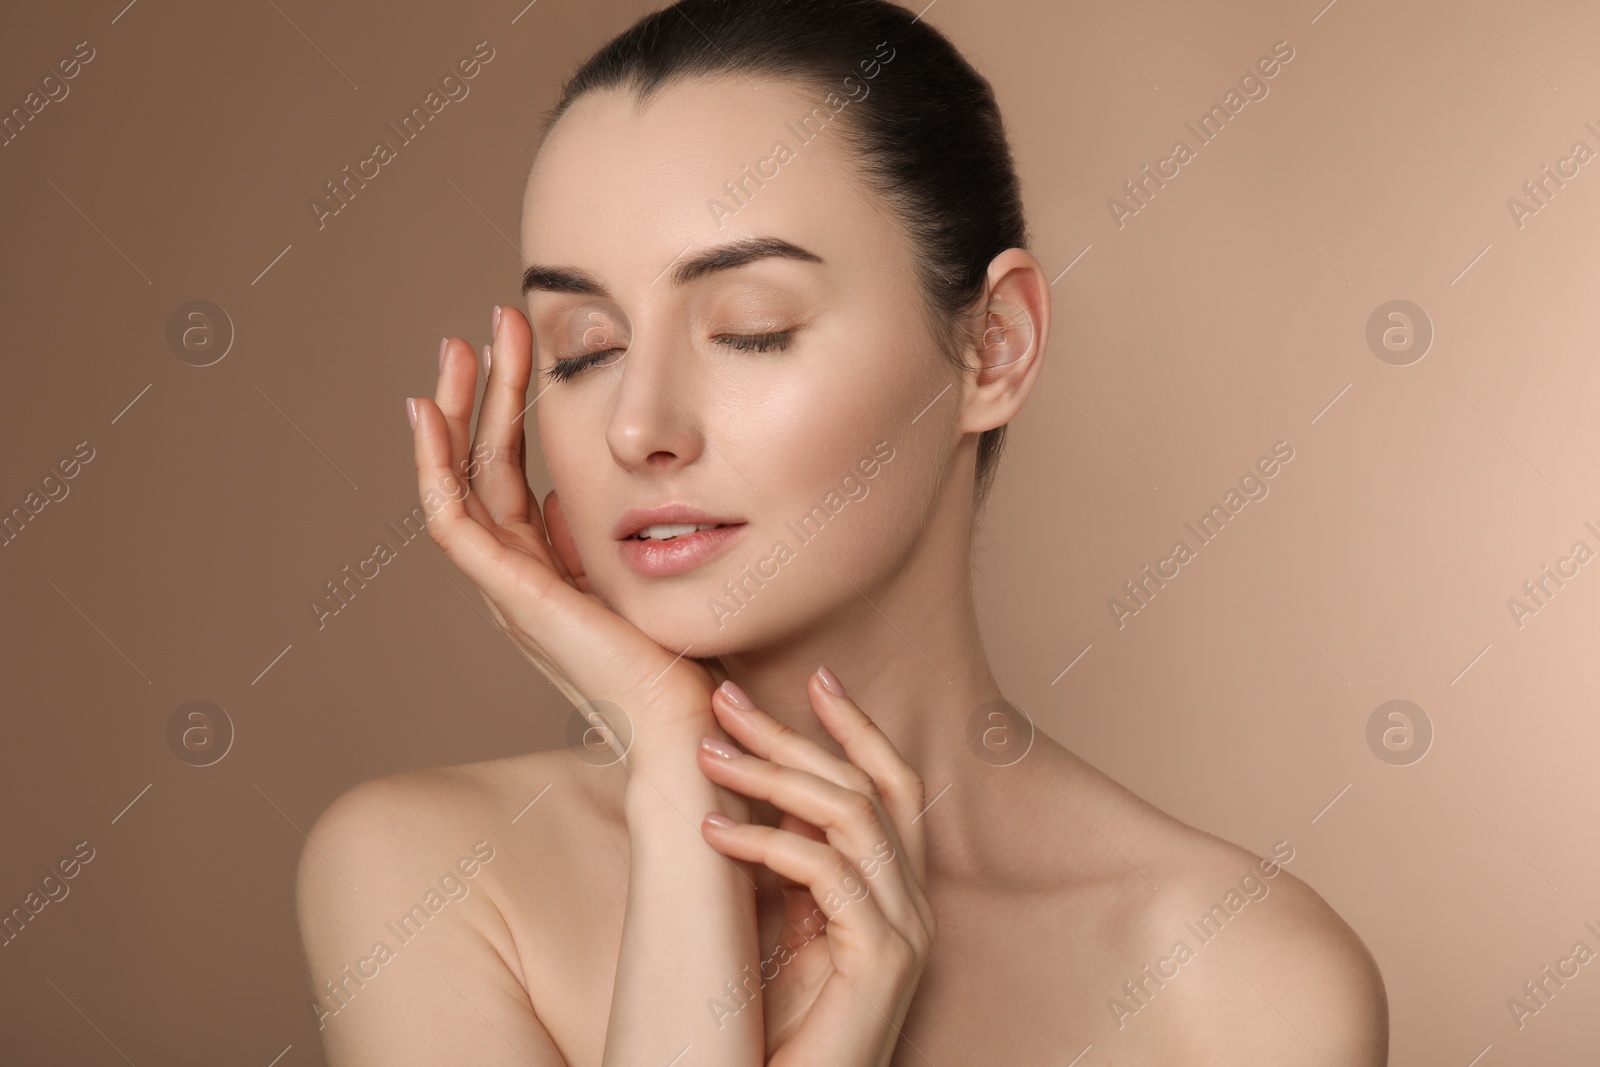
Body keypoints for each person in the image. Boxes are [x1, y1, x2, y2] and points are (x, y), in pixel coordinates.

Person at [296, 1, 1389, 1062]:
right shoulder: (431, 873)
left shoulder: (1242, 982)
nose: (638, 426)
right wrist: (676, 768)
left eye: (749, 331)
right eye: (583, 348)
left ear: (993, 347)